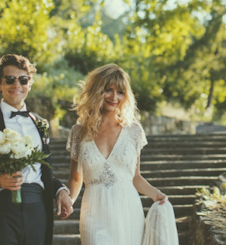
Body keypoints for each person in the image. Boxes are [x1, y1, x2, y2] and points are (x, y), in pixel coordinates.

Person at [0, 54, 73, 245]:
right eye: (9, 79)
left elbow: (44, 171)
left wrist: (60, 190)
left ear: (30, 84)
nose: (16, 84)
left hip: (37, 210)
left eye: (23, 79)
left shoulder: (41, 124)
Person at [65, 64, 173, 245]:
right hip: (93, 211)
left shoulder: (133, 131)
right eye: (108, 90)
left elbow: (135, 177)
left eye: (120, 92)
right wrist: (67, 202)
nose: (114, 97)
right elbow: (75, 179)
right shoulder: (79, 132)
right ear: (96, 90)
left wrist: (156, 194)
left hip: (128, 209)